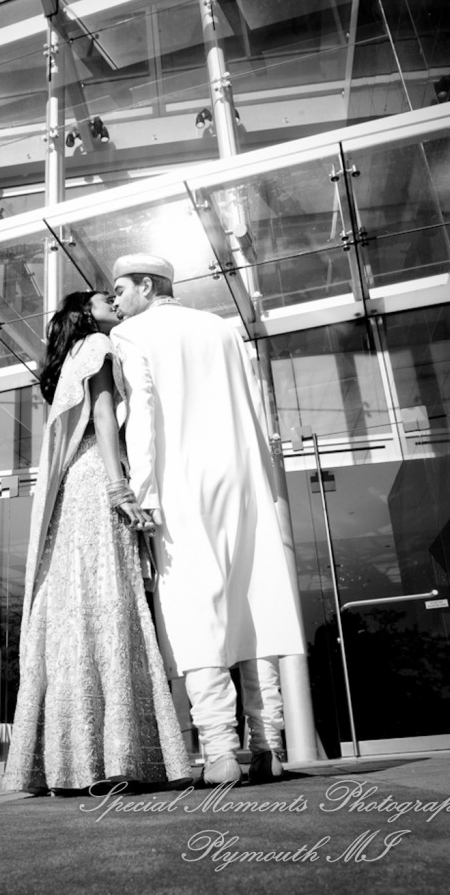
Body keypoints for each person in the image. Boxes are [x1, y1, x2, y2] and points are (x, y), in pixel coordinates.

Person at [110, 254, 305, 787]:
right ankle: (269, 747)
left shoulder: (131, 334)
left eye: (120, 290)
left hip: (181, 483)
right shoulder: (223, 328)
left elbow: (142, 416)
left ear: (146, 286)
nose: (116, 301)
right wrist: (265, 482)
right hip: (243, 478)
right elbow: (255, 407)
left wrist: (142, 494)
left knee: (194, 610)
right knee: (255, 604)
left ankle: (219, 752)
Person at [2, 290, 192, 795]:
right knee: (109, 599)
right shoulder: (99, 346)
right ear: (87, 313)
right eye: (106, 298)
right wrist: (118, 487)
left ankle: (67, 760)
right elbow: (105, 416)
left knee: (74, 606)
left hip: (73, 485)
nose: (115, 301)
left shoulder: (70, 357)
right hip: (98, 475)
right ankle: (117, 755)